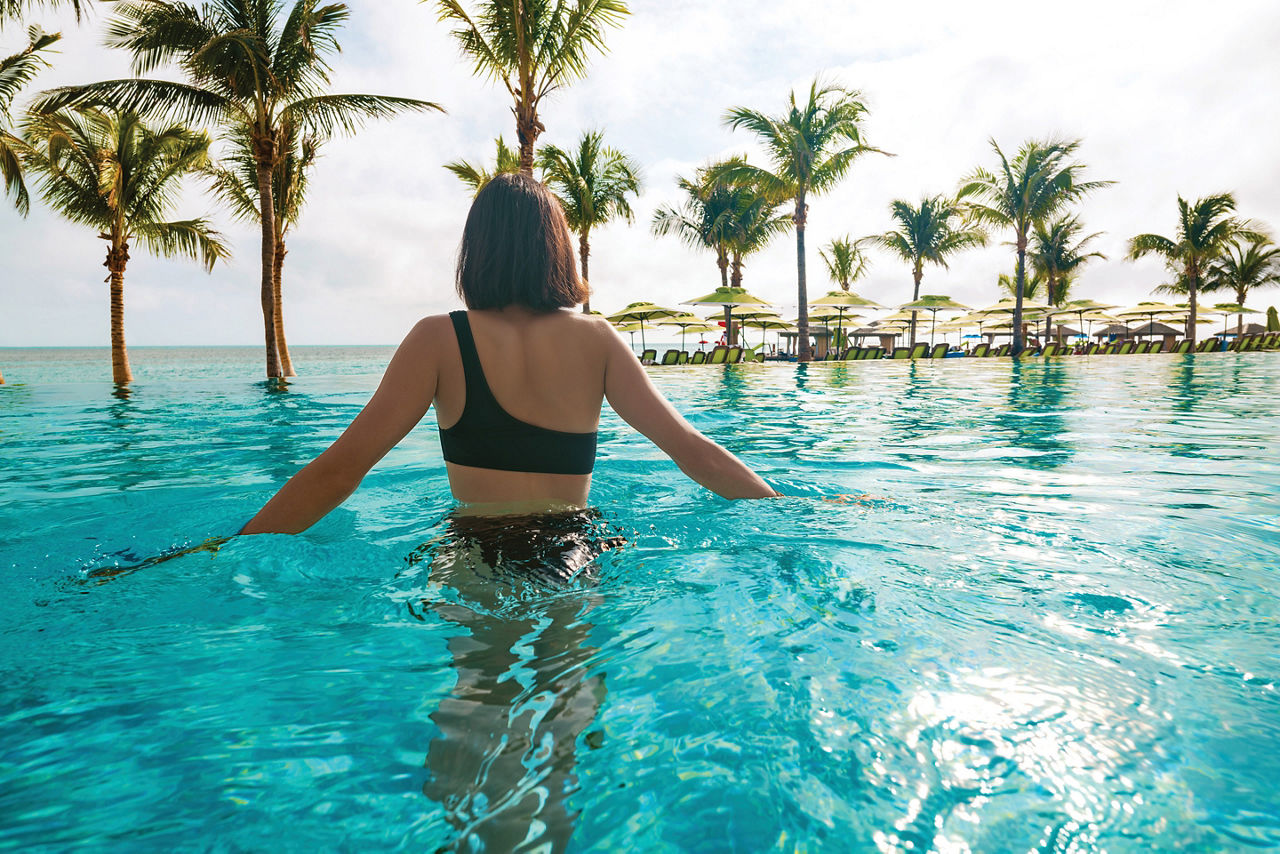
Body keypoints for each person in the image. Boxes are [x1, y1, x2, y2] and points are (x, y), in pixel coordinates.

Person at [240, 173, 777, 536]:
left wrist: (234, 542)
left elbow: (342, 469)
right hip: (574, 544)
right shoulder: (598, 339)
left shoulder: (437, 338)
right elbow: (690, 449)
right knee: (572, 688)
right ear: (557, 247)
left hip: (474, 546)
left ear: (478, 249)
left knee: (478, 692)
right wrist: (785, 508)